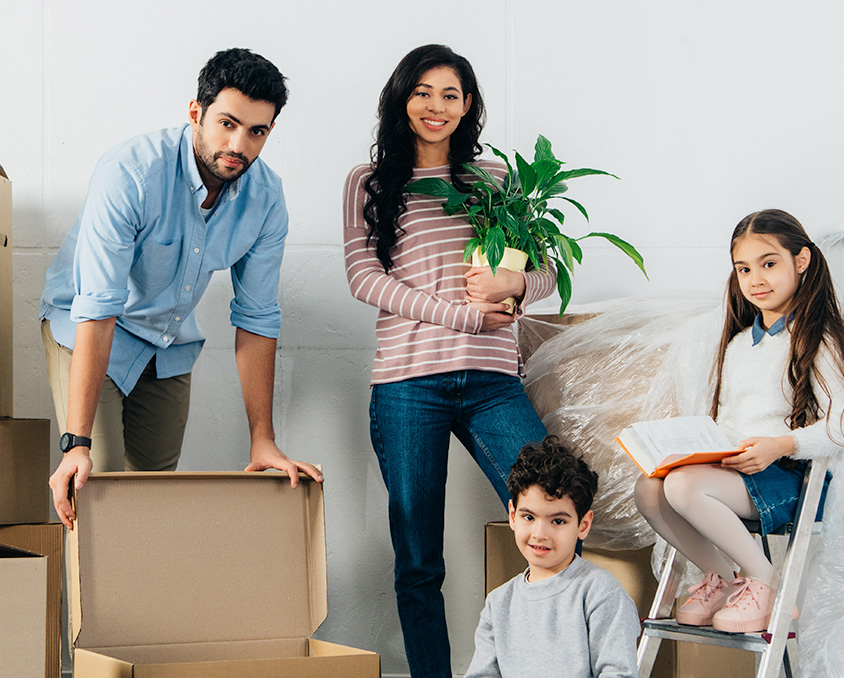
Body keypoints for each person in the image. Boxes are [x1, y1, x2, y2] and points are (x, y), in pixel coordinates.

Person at [41, 48, 322, 530]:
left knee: (153, 510)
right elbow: (100, 307)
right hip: (87, 327)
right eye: (227, 123)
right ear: (196, 112)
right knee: (98, 498)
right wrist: (76, 444)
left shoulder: (266, 198)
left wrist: (263, 439)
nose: (240, 144)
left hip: (166, 346)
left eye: (258, 131)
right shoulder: (129, 174)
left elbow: (256, 318)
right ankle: (90, 608)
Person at [343, 44, 553, 677]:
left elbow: (544, 271)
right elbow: (363, 278)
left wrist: (512, 289)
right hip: (408, 385)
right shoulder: (370, 182)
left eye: (451, 95)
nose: (437, 107)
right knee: (419, 559)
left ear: (468, 107)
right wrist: (464, 313)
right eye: (423, 92)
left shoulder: (495, 182)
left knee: (551, 510)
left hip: (492, 381)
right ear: (401, 98)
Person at [631, 209, 844, 633]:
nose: (756, 279)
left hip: (790, 479)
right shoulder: (738, 344)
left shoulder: (815, 338)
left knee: (681, 486)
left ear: (801, 261)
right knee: (648, 488)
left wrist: (782, 445)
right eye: (744, 269)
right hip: (739, 472)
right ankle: (725, 580)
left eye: (769, 263)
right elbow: (733, 423)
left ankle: (767, 582)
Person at [466, 438, 640, 678]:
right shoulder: (498, 603)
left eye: (558, 521)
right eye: (529, 517)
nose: (540, 534)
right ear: (513, 516)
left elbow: (618, 673)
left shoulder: (601, 593)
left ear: (583, 525)